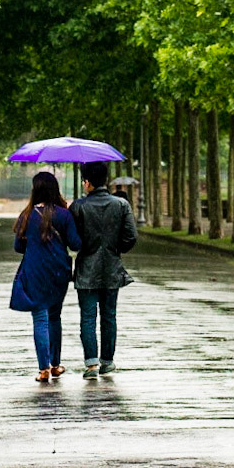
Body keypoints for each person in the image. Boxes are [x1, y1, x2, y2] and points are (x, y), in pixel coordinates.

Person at [69, 160, 138, 379]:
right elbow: (131, 237)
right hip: (111, 267)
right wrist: (115, 249)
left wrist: (85, 246)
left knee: (88, 317)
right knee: (109, 316)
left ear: (87, 182)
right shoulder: (121, 205)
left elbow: (73, 242)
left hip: (86, 270)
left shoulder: (78, 207)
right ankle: (107, 361)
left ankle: (91, 364)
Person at [10, 170, 81, 383]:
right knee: (54, 317)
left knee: (39, 318)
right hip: (58, 272)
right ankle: (56, 365)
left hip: (35, 271)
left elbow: (18, 246)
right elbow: (76, 244)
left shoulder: (27, 214)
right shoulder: (64, 214)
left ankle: (43, 369)